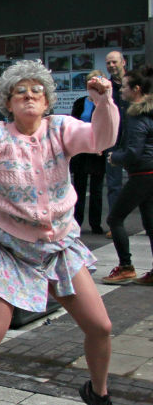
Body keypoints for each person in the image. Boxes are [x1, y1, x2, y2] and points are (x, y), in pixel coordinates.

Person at [0, 60, 120, 405]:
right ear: (8, 102)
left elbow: (101, 140)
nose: (29, 96)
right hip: (9, 247)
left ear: (47, 102)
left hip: (58, 245)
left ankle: (99, 392)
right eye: (20, 91)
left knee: (101, 327)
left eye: (36, 91)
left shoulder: (60, 129)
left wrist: (103, 102)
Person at [102, 66, 153, 286]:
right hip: (149, 172)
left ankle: (125, 266)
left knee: (115, 218)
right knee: (151, 223)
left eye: (124, 87)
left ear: (137, 89)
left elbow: (134, 151)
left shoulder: (136, 114)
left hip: (142, 173)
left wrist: (115, 157)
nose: (120, 90)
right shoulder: (149, 111)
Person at [70, 69, 107, 235]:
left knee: (96, 189)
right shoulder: (80, 102)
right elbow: (73, 125)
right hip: (80, 150)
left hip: (97, 151)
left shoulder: (105, 104)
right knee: (78, 188)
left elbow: (108, 127)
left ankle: (95, 224)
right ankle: (76, 222)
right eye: (90, 82)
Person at [104, 51, 128, 222]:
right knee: (113, 185)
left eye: (114, 62)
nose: (111, 65)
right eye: (108, 63)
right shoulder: (106, 88)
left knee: (144, 182)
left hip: (135, 140)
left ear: (123, 62)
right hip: (113, 141)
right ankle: (116, 222)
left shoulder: (135, 84)